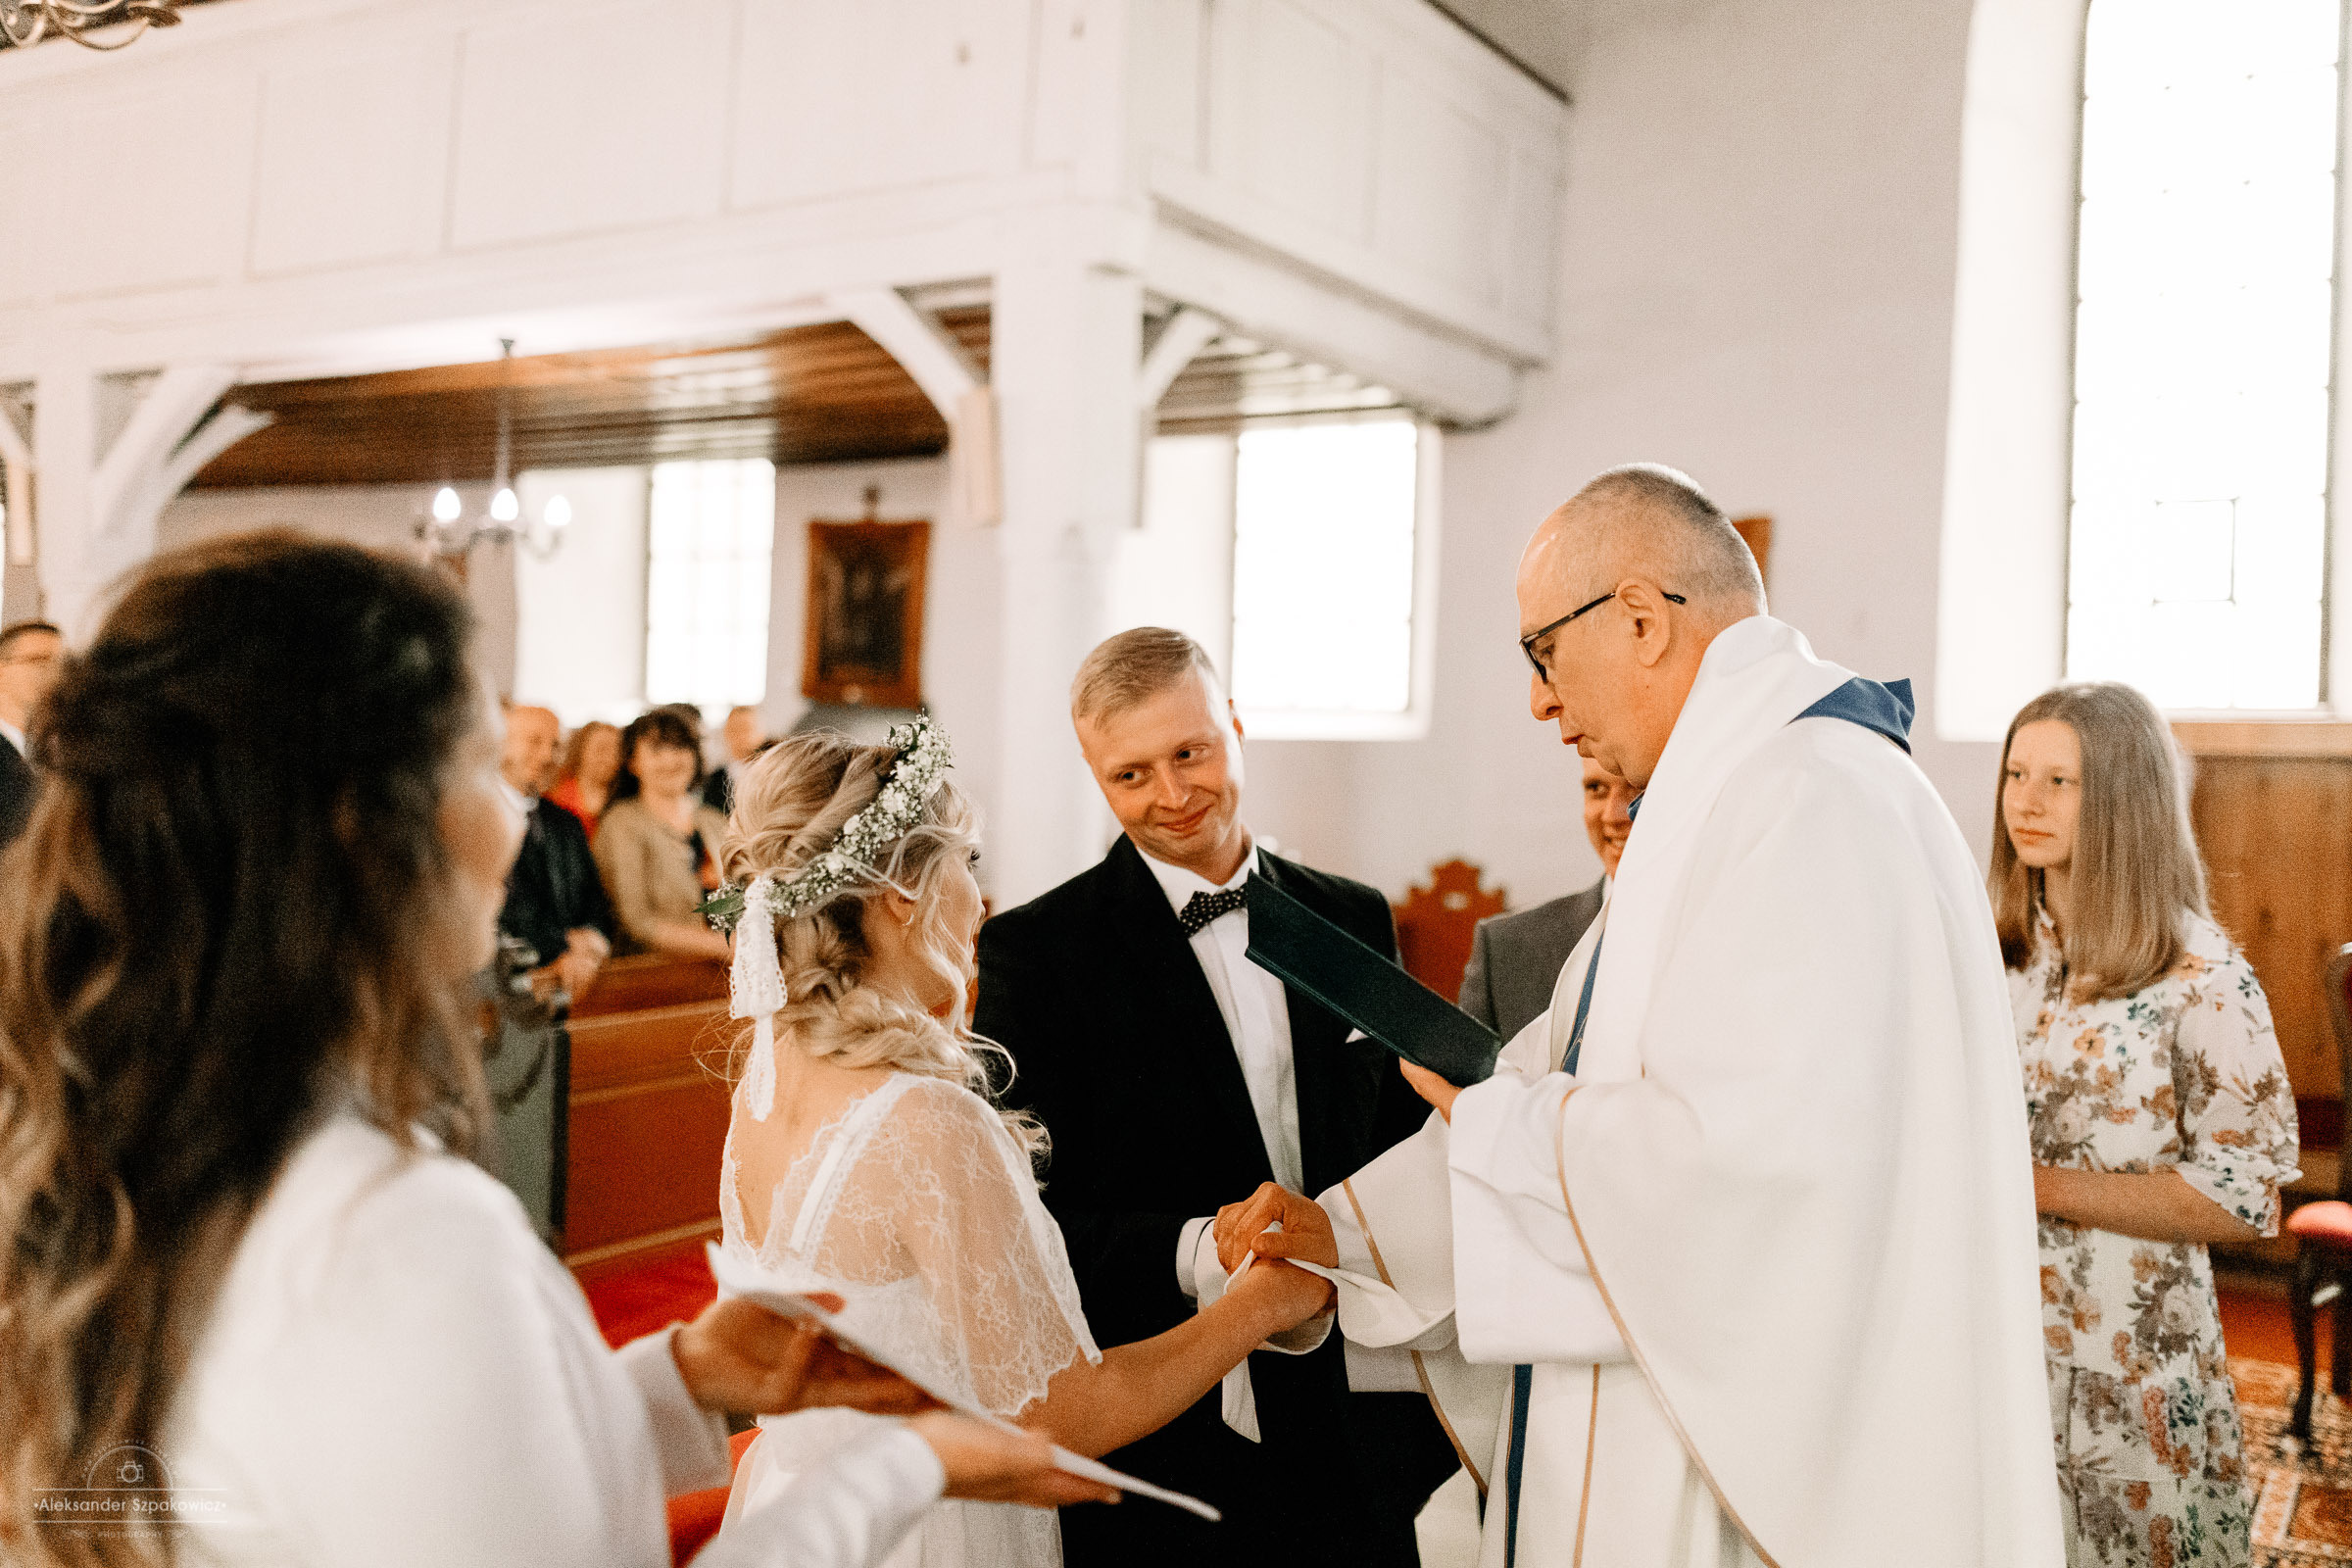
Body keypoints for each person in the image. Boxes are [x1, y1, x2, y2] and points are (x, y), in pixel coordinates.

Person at [0, 531, 1111, 1568]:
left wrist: (676, 1382)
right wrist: (903, 1469)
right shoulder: (407, 1235)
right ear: (368, 824)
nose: (522, 818)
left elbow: (392, 1482)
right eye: (488, 765)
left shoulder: (182, 1153)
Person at [1224, 465, 2062, 1567]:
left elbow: (1737, 1174)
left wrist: (1484, 1129)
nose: (1538, 700)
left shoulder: (1807, 802)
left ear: (1637, 618)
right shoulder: (1739, 794)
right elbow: (1557, 1069)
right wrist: (1354, 1233)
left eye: (1543, 654)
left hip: (1748, 1474)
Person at [711, 722, 1343, 1568]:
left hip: (805, 1513)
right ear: (904, 887)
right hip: (927, 1533)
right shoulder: (926, 1121)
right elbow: (1059, 1413)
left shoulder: (765, 1083)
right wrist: (1263, 1302)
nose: (978, 898)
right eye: (964, 864)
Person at [974, 628, 1452, 1568]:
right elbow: (1034, 1216)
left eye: (1189, 753)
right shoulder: (1039, 953)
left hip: (1354, 1391)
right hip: (1172, 1405)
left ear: (1234, 727)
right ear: (1095, 777)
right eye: (1131, 775)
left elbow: (1398, 1143)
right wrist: (1208, 1254)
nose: (1171, 795)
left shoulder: (1351, 913)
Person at [1996, 682, 2297, 1565]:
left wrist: (2039, 1185)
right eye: (2017, 773)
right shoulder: (1998, 953)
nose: (2027, 800)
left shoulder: (2203, 978)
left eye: (2062, 780)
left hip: (2131, 1360)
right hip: (2004, 1339)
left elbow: (2240, 1200)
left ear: (2125, 799)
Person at [1457, 754, 1637, 1043]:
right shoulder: (1507, 949)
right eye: (1596, 789)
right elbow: (1465, 1087)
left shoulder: (1716, 931)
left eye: (1639, 789)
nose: (1612, 816)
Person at [499, 703, 617, 1003]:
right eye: (534, 742)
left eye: (555, 745)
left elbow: (595, 897)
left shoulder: (564, 822)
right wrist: (562, 946)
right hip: (507, 984)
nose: (547, 756)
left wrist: (594, 938)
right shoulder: (478, 819)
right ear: (502, 743)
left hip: (577, 976)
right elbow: (503, 907)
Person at [595, 708, 732, 959]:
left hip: (723, 971)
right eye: (656, 750)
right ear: (633, 762)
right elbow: (637, 922)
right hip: (650, 973)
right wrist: (722, 947)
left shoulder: (715, 821)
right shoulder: (622, 822)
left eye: (680, 748)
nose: (670, 760)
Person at [0, 617, 62, 844]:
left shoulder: (65, 754)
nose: (54, 674)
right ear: (1, 671)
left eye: (60, 664)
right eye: (40, 661)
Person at [547, 718, 623, 833]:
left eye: (616, 752)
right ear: (581, 751)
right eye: (601, 749)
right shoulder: (556, 796)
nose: (610, 759)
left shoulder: (624, 798)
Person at [705, 704, 766, 816]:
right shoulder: (714, 780)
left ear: (760, 734)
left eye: (746, 729)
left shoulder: (770, 775)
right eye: (734, 730)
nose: (740, 736)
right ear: (726, 734)